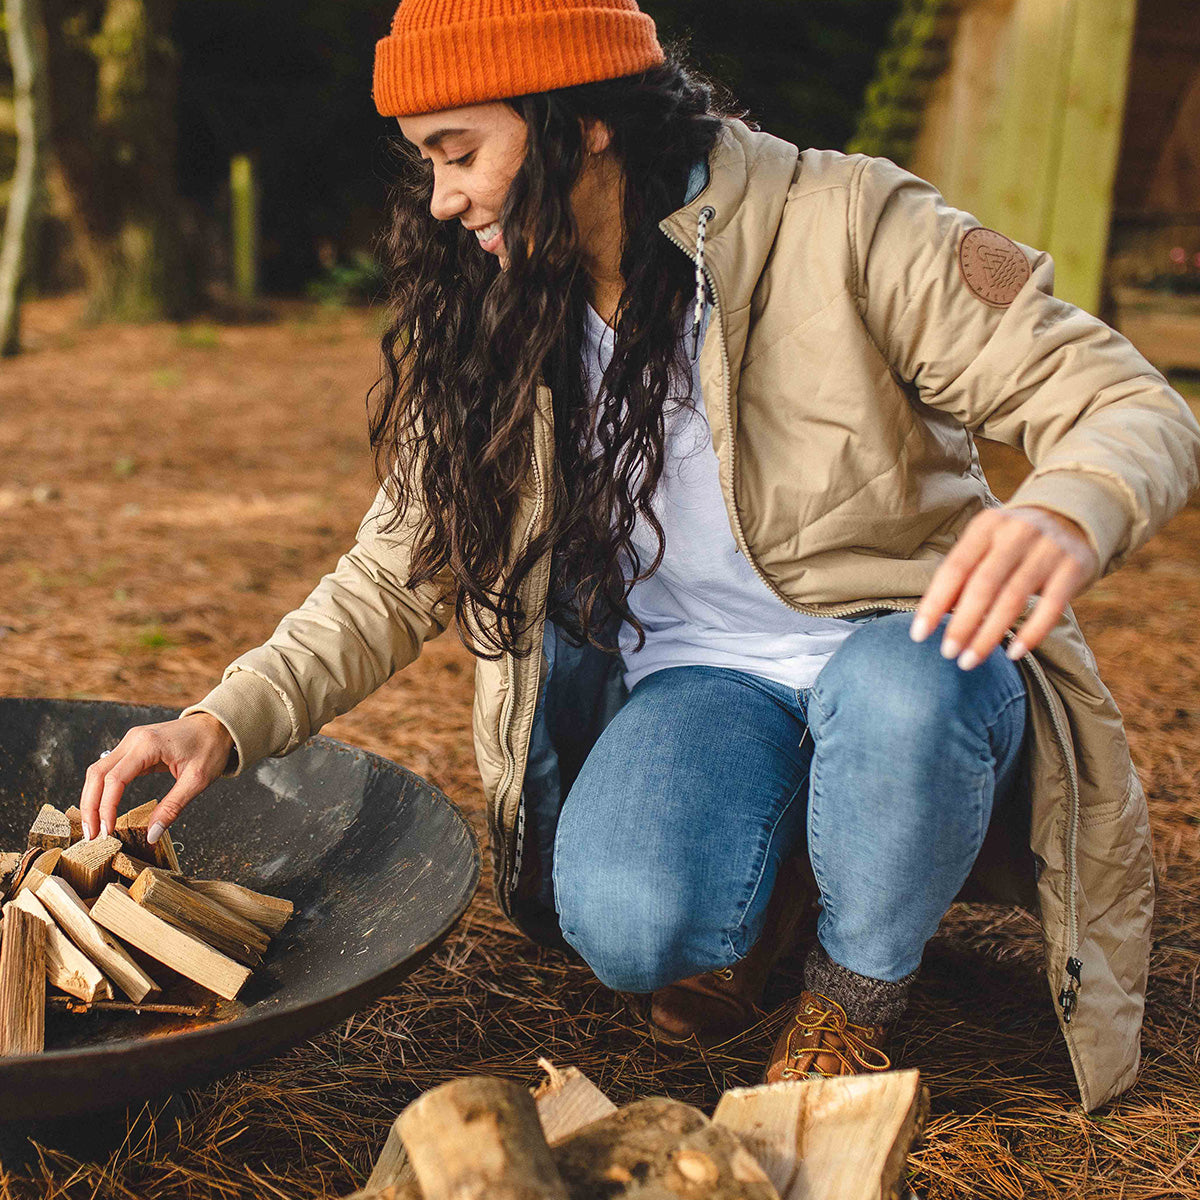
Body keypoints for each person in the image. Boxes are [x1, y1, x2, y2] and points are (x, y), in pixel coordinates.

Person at [78, 0, 1199, 1109]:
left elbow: (1120, 399)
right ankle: (795, 875)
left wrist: (1067, 507)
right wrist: (223, 719)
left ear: (585, 117)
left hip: (908, 650)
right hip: (704, 678)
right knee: (624, 924)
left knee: (900, 701)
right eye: (429, 160)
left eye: (460, 152)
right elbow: (393, 570)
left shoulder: (846, 220)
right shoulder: (503, 305)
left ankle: (855, 994)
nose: (444, 196)